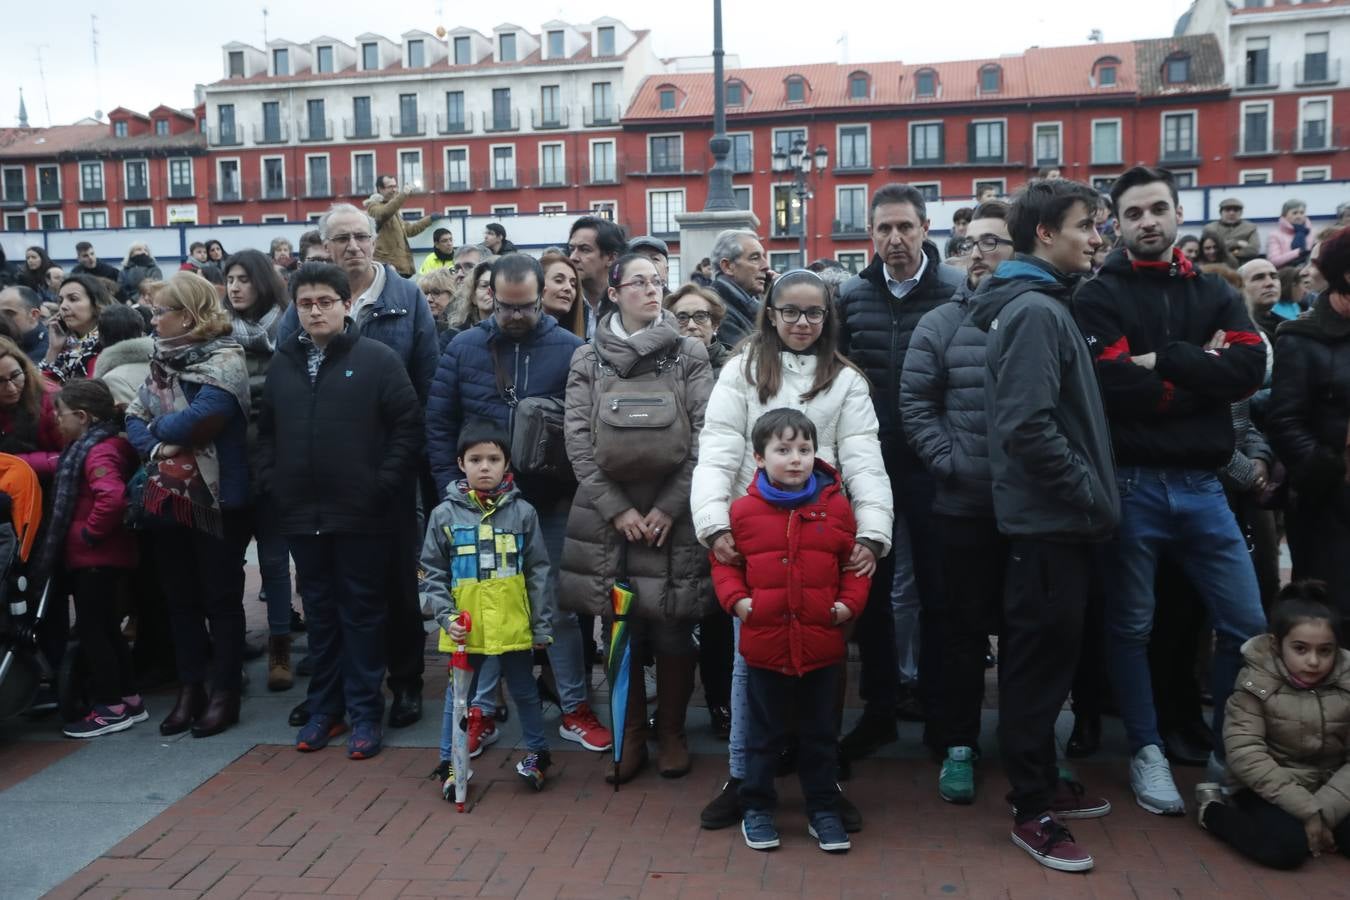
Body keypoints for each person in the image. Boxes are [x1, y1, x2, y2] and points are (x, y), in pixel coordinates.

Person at [1074, 166, 1267, 817]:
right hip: (1132, 486)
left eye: (1158, 208)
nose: (1148, 221)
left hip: (1205, 487)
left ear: (1179, 213)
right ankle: (1146, 751)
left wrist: (1163, 359)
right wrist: (1198, 372)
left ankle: (1229, 752)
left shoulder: (1213, 289)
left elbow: (1247, 368)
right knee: (1130, 625)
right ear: (1117, 224)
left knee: (1246, 625)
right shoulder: (1098, 295)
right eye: (1134, 213)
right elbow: (1109, 385)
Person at [693, 269, 891, 830]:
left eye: (814, 313)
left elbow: (863, 457)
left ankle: (820, 781)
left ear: (828, 318)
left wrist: (873, 532)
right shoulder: (742, 370)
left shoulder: (846, 380)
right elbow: (719, 450)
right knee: (745, 666)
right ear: (771, 314)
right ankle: (743, 776)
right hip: (753, 536)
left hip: (822, 536)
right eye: (791, 312)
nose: (802, 323)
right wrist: (713, 523)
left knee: (825, 663)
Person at [967, 177, 1119, 873]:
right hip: (1051, 522)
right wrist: (1087, 493)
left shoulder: (1045, 305)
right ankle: (1033, 808)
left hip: (1059, 520)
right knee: (1034, 668)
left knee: (1050, 661)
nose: (1098, 237)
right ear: (1045, 234)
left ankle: (1042, 779)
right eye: (1088, 225)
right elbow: (1027, 426)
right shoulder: (1034, 311)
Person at [427, 252, 610, 755]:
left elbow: (589, 427)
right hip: (479, 504)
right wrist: (453, 489)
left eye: (525, 307)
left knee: (559, 609)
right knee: (483, 609)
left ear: (540, 299)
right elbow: (439, 424)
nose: (513, 317)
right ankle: (483, 710)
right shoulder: (463, 348)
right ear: (489, 297)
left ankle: (574, 706)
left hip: (550, 501)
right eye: (504, 308)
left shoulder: (572, 349)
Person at [277, 202, 439, 730]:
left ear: (376, 239)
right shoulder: (302, 304)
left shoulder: (406, 296)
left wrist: (396, 472)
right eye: (340, 238)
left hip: (387, 473)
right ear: (325, 245)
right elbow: (286, 380)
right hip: (323, 486)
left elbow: (425, 382)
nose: (352, 246)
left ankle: (406, 682)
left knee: (393, 584)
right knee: (331, 594)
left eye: (360, 236)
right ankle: (339, 692)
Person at [258, 262, 424, 760]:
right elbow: (265, 433)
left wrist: (382, 485)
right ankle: (324, 709)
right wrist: (275, 484)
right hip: (302, 514)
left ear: (346, 304)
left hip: (362, 514)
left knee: (363, 614)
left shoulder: (378, 359)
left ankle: (366, 711)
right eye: (305, 303)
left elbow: (407, 427)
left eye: (325, 301)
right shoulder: (283, 361)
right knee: (323, 616)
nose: (315, 311)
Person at [561, 252, 713, 783]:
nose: (652, 291)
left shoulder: (689, 353)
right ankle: (629, 733)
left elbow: (706, 438)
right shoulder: (587, 359)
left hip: (675, 517)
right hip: (609, 520)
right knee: (619, 628)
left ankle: (670, 731)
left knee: (674, 629)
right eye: (640, 282)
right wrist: (619, 509)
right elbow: (578, 444)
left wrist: (668, 508)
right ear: (615, 291)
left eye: (659, 282)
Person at [835, 183, 962, 761]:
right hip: (870, 465)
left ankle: (942, 716)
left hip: (936, 467)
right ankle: (879, 711)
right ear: (871, 235)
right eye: (883, 229)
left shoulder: (956, 292)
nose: (894, 240)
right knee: (875, 594)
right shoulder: (851, 295)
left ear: (924, 227)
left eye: (904, 228)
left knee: (941, 595)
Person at [713, 408, 870, 854]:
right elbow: (725, 567)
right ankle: (757, 807)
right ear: (759, 458)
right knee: (763, 737)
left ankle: (823, 809)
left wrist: (846, 606)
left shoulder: (835, 507)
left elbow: (854, 567)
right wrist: (740, 603)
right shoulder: (743, 512)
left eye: (804, 449)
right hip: (765, 646)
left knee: (821, 736)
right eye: (783, 450)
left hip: (821, 645)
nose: (796, 459)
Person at [900, 199, 1016, 803]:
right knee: (958, 630)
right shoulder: (940, 324)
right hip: (962, 505)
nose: (979, 254)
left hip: (1030, 508)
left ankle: (1030, 745)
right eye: (971, 243)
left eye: (994, 242)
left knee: (1028, 631)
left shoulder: (1045, 315)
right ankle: (959, 743)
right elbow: (917, 406)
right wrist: (953, 464)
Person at [125, 271, 251, 739]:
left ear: (190, 314)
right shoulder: (158, 358)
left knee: (220, 599)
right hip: (166, 499)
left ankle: (225, 692)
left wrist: (162, 432)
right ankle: (190, 688)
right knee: (178, 600)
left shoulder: (225, 357)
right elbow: (134, 417)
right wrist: (161, 446)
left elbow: (202, 420)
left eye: (162, 311)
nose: (154, 319)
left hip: (219, 500)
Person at [423, 421, 556, 791]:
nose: (485, 467)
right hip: (466, 629)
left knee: (525, 690)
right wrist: (446, 618)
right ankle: (450, 761)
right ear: (461, 463)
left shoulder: (523, 513)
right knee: (457, 696)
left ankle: (538, 752)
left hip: (514, 626)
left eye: (493, 459)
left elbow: (538, 572)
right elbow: (430, 571)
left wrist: (542, 626)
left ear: (506, 464)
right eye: (476, 459)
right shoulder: (444, 516)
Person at [1197, 582, 1350, 869]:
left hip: (1331, 786)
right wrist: (1307, 810)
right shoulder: (1254, 682)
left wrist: (1323, 812)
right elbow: (1246, 756)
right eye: (1301, 649)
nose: (1314, 661)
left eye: (1325, 651)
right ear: (1275, 645)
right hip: (1266, 786)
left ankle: (1319, 828)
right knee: (1286, 849)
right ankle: (1212, 810)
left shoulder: (1347, 682)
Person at [37, 380, 143, 739]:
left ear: (82, 417)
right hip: (100, 556)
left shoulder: (97, 452)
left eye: (60, 414)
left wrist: (89, 535)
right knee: (108, 630)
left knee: (94, 631)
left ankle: (111, 707)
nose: (55, 421)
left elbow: (111, 498)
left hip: (96, 558)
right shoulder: (100, 446)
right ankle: (129, 698)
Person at [224, 249, 298, 691]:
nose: (235, 287)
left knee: (273, 560)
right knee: (229, 560)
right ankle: (233, 646)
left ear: (262, 282)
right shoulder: (215, 332)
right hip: (230, 461)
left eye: (243, 279)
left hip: (274, 461)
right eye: (229, 279)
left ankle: (281, 646)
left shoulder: (286, 328)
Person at [1268, 227, 1350, 608]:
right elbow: (1285, 422)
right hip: (1328, 503)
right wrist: (1332, 470)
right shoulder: (1301, 336)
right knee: (1329, 617)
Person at [0, 335, 60, 481]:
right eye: (0, 381)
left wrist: (16, 462)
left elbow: (72, 456)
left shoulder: (52, 401)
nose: (11, 388)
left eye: (15, 376)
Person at [41, 273, 113, 383]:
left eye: (73, 299)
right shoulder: (66, 346)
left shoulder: (110, 343)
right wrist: (53, 349)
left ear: (96, 304)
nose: (63, 306)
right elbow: (38, 388)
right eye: (60, 301)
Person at [709, 230, 770, 350]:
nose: (766, 266)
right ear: (727, 267)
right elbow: (753, 357)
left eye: (763, 257)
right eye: (754, 258)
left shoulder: (753, 301)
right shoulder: (716, 310)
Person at [567, 216, 627, 335]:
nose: (573, 257)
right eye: (571, 249)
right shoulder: (563, 304)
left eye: (584, 250)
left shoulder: (627, 305)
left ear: (611, 258)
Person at [366, 175, 433, 277]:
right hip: (388, 267)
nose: (394, 190)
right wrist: (403, 194)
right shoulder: (373, 206)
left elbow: (409, 230)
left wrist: (429, 219)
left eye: (395, 186)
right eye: (390, 187)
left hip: (401, 268)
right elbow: (384, 213)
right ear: (380, 189)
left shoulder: (394, 210)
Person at [91, 304, 152, 409]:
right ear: (141, 332)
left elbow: (128, 421)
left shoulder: (112, 380)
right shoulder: (159, 362)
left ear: (101, 337)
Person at [665, 284, 730, 374]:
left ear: (715, 325)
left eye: (700, 316)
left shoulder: (734, 367)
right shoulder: (660, 368)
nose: (691, 326)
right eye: (682, 317)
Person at [539, 250, 586, 339]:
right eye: (559, 280)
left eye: (573, 284)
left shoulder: (577, 344)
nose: (568, 288)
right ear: (538, 284)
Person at [0, 285, 50, 362]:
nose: (2, 319)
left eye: (9, 313)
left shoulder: (48, 349)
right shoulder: (6, 340)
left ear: (34, 315)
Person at [1204, 198, 1260, 265]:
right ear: (1221, 212)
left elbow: (1254, 250)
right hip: (1217, 265)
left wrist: (1228, 251)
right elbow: (1209, 250)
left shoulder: (1250, 228)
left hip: (1243, 265)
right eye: (1227, 210)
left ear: (1241, 213)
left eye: (1236, 210)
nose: (1232, 213)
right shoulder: (1210, 228)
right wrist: (1237, 243)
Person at [448, 259, 496, 334]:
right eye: (484, 285)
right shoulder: (453, 335)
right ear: (473, 296)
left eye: (495, 285)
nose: (490, 291)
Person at [1239, 259, 1283, 341]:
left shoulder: (1288, 327)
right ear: (1241, 287)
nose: (1270, 283)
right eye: (1259, 278)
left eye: (1274, 277)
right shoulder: (1234, 330)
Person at [416, 268, 458, 351]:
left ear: (452, 294)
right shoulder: (418, 327)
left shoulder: (460, 328)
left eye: (436, 293)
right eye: (425, 293)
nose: (428, 299)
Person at [1267, 199, 1312, 270]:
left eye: (1302, 213)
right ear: (1284, 215)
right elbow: (1274, 261)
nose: (1299, 216)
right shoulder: (1275, 235)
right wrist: (1298, 252)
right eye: (1295, 213)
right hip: (1286, 273)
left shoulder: (1312, 233)